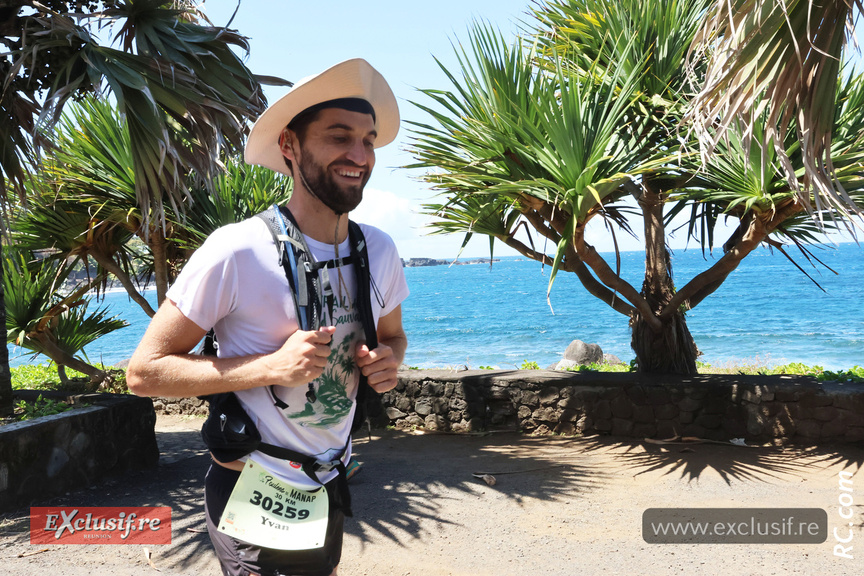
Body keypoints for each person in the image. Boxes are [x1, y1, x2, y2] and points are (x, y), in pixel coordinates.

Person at [127, 58, 409, 576]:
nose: (359, 155)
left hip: (327, 482)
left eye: (368, 141)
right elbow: (144, 373)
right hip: (253, 485)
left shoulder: (379, 250)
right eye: (339, 137)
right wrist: (271, 368)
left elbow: (393, 336)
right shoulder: (237, 249)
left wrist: (388, 362)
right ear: (289, 145)